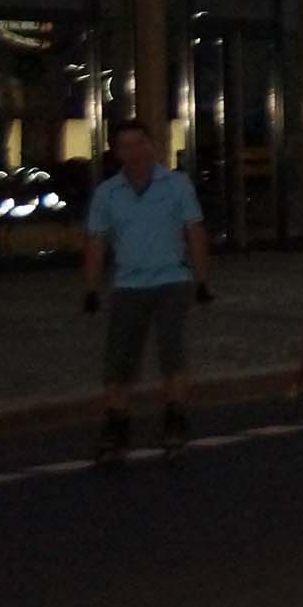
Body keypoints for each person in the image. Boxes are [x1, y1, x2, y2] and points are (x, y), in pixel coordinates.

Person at [82, 118, 213, 468]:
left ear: (151, 145)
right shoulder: (108, 193)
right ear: (116, 152)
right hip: (128, 283)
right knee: (119, 357)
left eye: (140, 143)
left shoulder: (176, 185)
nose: (135, 152)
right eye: (126, 146)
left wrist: (202, 280)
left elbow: (194, 231)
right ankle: (117, 423)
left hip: (172, 279)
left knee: (172, 349)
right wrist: (91, 288)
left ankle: (175, 417)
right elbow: (96, 241)